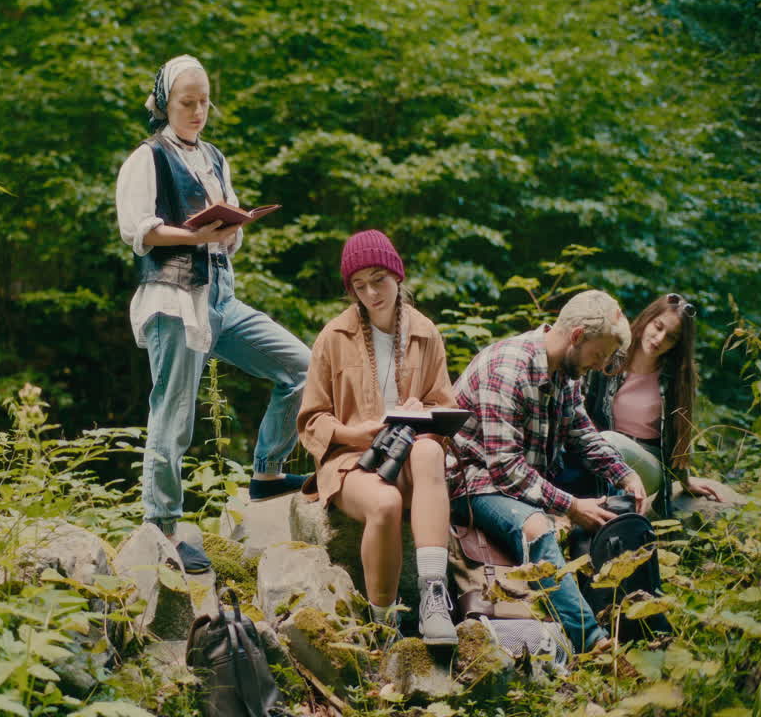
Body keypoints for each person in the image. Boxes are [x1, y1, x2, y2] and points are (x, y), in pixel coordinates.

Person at [115, 55, 311, 574]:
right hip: (173, 298)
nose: (199, 111)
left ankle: (266, 472)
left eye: (204, 102)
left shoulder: (215, 157)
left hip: (220, 295)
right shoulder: (147, 157)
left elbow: (231, 234)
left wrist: (232, 227)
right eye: (187, 102)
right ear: (164, 104)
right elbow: (137, 230)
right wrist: (195, 235)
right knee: (173, 412)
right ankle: (164, 528)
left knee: (301, 368)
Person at [447, 290, 646, 653]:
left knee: (617, 511)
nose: (600, 366)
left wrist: (625, 476)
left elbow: (583, 434)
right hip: (475, 483)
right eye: (598, 354)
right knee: (538, 527)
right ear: (576, 336)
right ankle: (593, 642)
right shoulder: (507, 368)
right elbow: (505, 469)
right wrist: (570, 506)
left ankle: (638, 626)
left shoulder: (566, 375)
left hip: (521, 484)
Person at [297, 229, 458, 645]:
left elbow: (446, 409)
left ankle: (433, 597)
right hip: (352, 461)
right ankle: (383, 622)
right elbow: (311, 419)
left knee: (426, 454)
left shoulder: (424, 333)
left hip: (408, 456)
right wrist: (352, 433)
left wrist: (424, 416)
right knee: (385, 504)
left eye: (378, 279)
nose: (371, 293)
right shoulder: (333, 337)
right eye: (359, 285)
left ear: (397, 275)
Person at [583, 293, 722, 513]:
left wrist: (685, 482)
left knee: (608, 441)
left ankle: (615, 522)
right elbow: (583, 412)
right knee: (600, 445)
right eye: (658, 327)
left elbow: (679, 435)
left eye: (671, 337)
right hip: (601, 459)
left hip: (647, 463)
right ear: (647, 319)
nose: (659, 339)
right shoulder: (610, 358)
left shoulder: (677, 377)